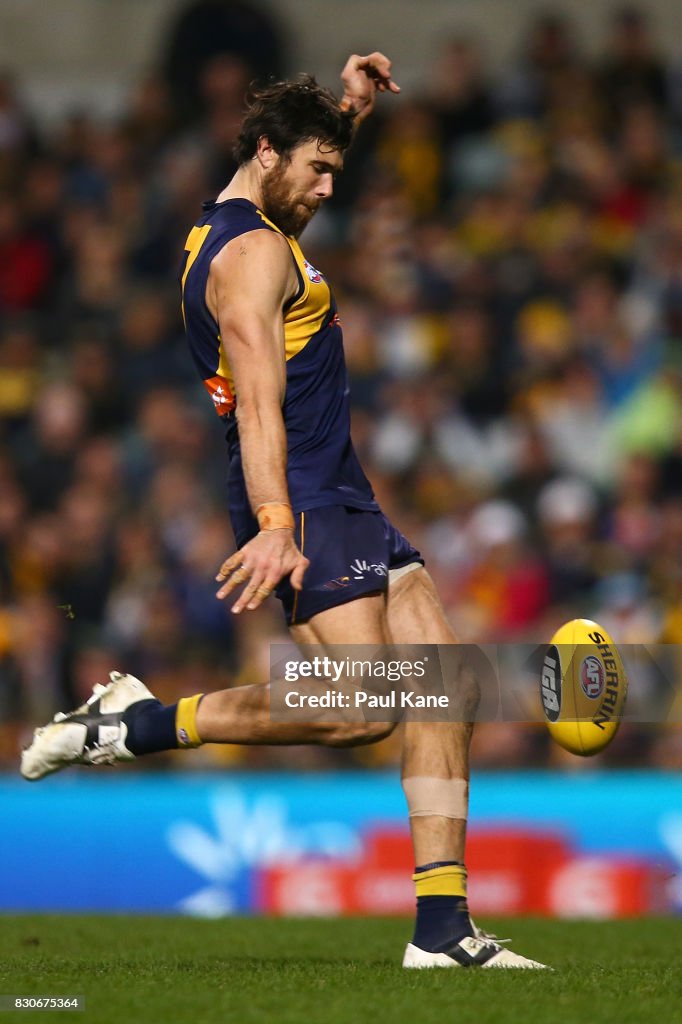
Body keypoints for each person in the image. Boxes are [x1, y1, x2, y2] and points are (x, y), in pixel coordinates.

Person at [21, 53, 545, 970]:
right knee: (362, 708)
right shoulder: (255, 255)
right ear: (267, 155)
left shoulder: (244, 220)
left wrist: (347, 110)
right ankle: (136, 725)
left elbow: (300, 163)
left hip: (339, 490)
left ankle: (443, 932)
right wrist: (274, 522)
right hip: (300, 494)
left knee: (446, 688)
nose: (331, 188)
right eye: (319, 168)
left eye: (336, 169)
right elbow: (257, 402)